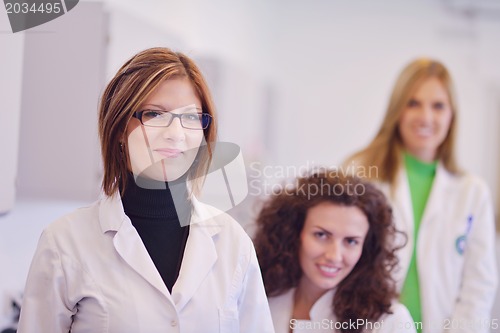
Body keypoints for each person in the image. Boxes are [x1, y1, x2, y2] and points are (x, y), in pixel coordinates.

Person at [18, 47, 275, 333]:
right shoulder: (66, 242)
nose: (175, 134)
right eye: (154, 114)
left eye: (191, 118)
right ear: (119, 128)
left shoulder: (232, 241)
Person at [344, 58, 498, 333]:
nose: (426, 117)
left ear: (452, 115)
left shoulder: (472, 192)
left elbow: (479, 285)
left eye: (438, 106)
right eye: (413, 103)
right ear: (397, 110)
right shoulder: (360, 173)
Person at [254, 172, 416, 333]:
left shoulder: (389, 322)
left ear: (366, 248)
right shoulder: (261, 299)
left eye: (351, 241)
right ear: (294, 233)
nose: (334, 256)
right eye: (321, 235)